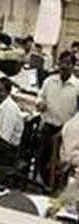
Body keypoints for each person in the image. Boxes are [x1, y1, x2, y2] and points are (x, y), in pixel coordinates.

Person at [37, 51, 79, 184]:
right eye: (62, 63)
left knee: (62, 163)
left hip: (65, 131)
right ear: (58, 63)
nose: (64, 66)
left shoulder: (77, 86)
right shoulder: (49, 81)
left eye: (68, 63)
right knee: (43, 158)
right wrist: (40, 103)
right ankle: (44, 184)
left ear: (73, 66)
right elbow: (40, 96)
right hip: (48, 126)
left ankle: (56, 185)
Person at [0, 77, 24, 148]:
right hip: (2, 143)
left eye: (0, 90)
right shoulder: (4, 105)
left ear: (8, 92)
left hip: (7, 148)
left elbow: (4, 138)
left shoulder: (10, 108)